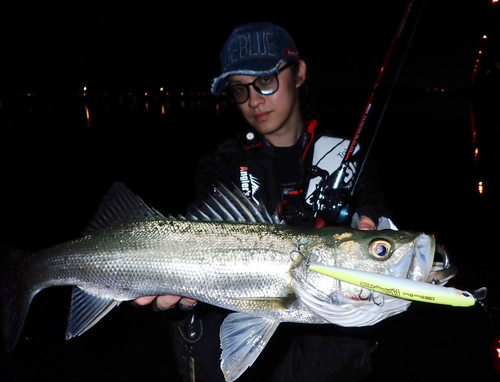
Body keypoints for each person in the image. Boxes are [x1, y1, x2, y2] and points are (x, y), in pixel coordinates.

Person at [136, 21, 392, 381]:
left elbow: (374, 213)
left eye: (265, 81)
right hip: (246, 348)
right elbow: (201, 237)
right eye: (240, 90)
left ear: (299, 73)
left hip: (332, 357)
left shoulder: (351, 156)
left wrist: (372, 221)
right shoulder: (218, 163)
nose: (254, 100)